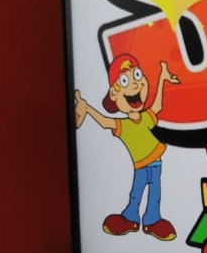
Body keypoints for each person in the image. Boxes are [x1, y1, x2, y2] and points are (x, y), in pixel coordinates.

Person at [74, 53, 180, 240]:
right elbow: (105, 121)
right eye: (125, 81)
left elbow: (157, 106)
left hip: (156, 164)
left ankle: (152, 220)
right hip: (141, 166)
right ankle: (130, 218)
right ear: (114, 94)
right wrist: (87, 108)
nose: (135, 84)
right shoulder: (124, 125)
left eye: (137, 75)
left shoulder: (146, 117)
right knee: (136, 194)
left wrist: (162, 79)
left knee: (155, 195)